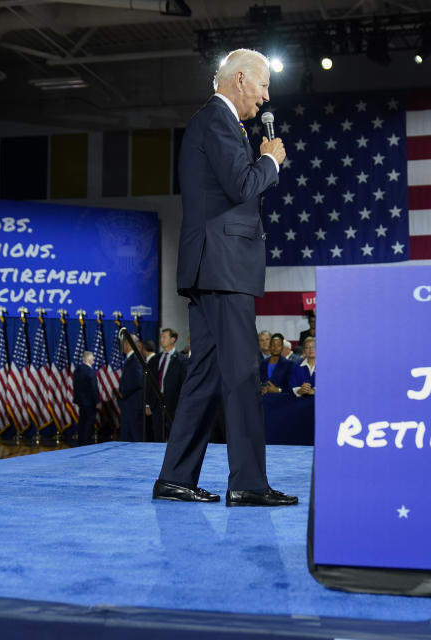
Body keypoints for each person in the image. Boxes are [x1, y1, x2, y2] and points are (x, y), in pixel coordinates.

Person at [153, 48, 296, 507]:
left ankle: (175, 477)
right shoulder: (218, 119)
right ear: (239, 81)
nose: (265, 97)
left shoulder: (218, 122)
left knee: (206, 376)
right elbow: (241, 185)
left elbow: (227, 188)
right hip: (223, 266)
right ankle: (249, 483)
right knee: (241, 374)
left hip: (211, 265)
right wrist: (270, 161)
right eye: (263, 86)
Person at [147, 328, 187, 442]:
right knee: (158, 435)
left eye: (164, 337)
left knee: (173, 436)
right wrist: (147, 404)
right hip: (156, 403)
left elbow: (184, 384)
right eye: (161, 337)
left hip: (173, 405)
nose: (161, 339)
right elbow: (150, 382)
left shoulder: (182, 360)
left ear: (172, 340)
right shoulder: (155, 359)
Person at [117, 337, 144, 441]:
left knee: (135, 436)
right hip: (128, 404)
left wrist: (123, 393)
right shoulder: (130, 359)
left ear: (127, 344)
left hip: (133, 404)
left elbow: (138, 380)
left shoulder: (136, 359)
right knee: (127, 436)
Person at [72, 351, 100, 446]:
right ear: (89, 359)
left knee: (82, 421)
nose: (94, 360)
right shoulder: (90, 371)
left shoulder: (77, 370)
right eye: (93, 358)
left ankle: (81, 441)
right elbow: (93, 387)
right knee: (89, 421)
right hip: (90, 401)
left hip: (80, 401)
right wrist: (97, 401)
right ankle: (86, 442)